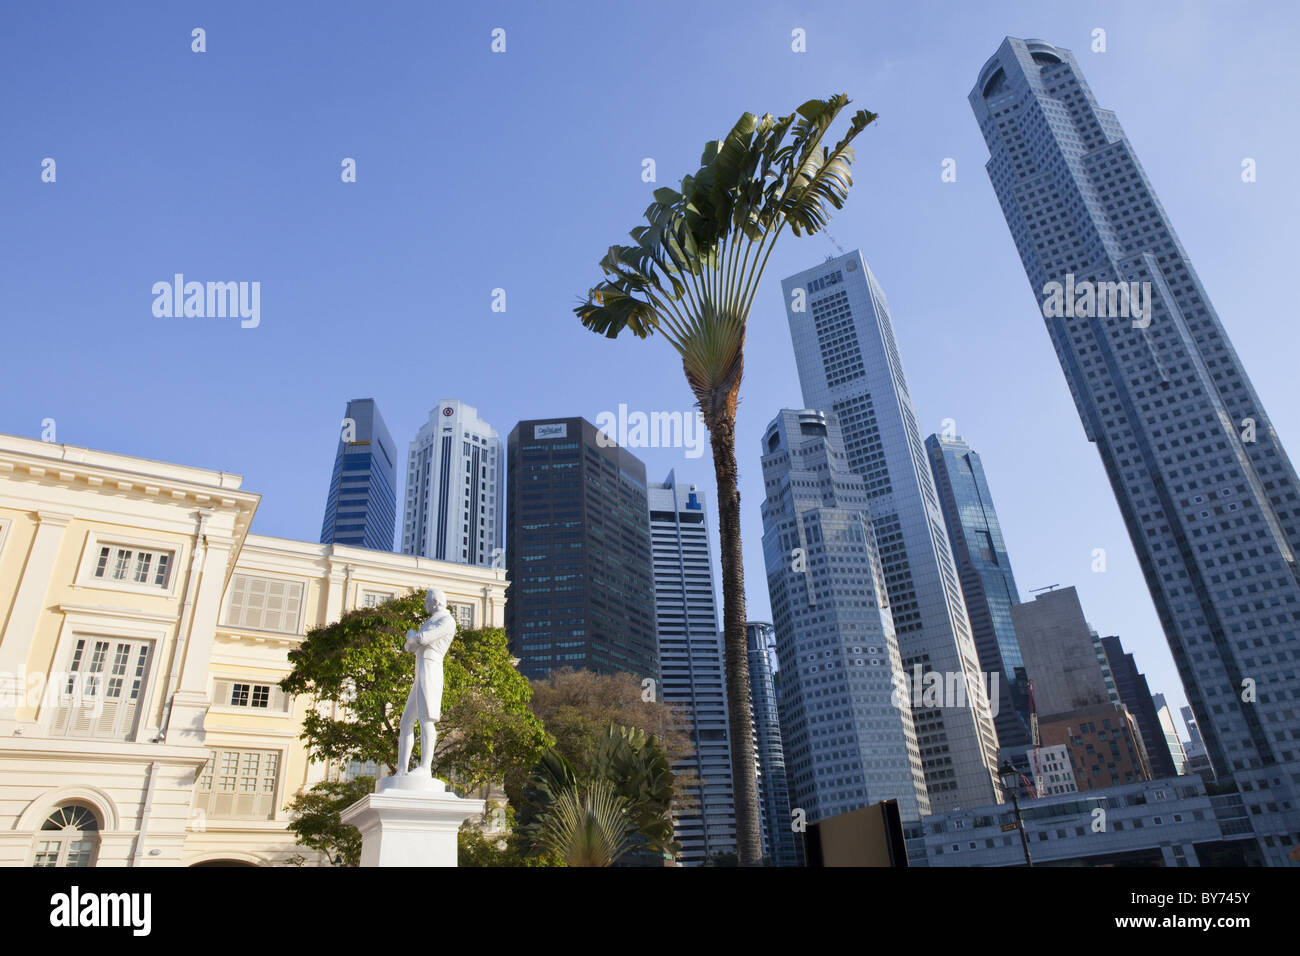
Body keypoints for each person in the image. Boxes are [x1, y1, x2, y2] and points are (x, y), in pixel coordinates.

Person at [396, 587, 457, 775]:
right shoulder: (429, 621)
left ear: (435, 602)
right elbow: (410, 647)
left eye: (426, 601)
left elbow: (422, 639)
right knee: (406, 722)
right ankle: (401, 770)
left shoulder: (447, 621)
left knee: (426, 718)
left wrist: (412, 636)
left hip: (431, 667)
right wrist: (412, 639)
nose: (425, 605)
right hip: (420, 669)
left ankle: (425, 767)